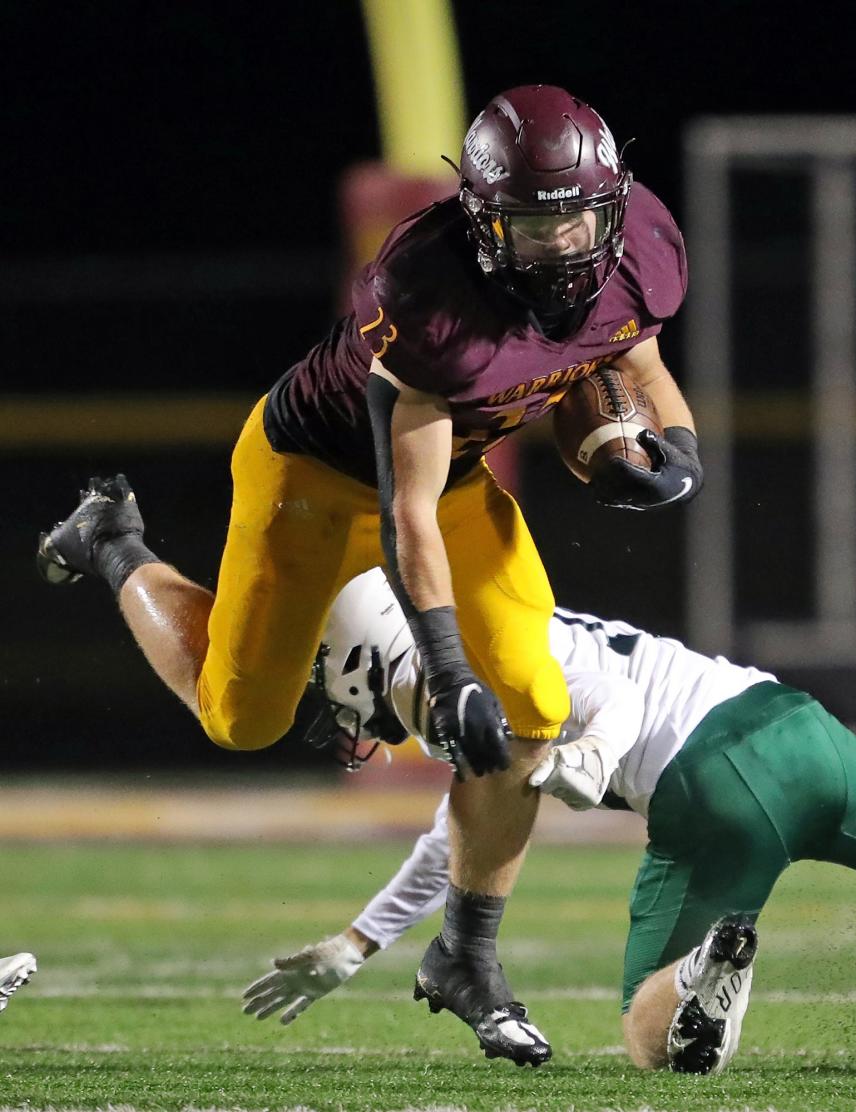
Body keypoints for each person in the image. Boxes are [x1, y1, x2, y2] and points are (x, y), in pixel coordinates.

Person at [37, 85, 700, 1065]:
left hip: (460, 474)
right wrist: (446, 670)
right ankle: (114, 542)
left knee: (533, 703)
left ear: (611, 206)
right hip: (317, 477)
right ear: (480, 222)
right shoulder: (431, 295)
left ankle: (466, 952)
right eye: (529, 225)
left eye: (575, 223)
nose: (561, 250)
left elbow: (623, 354)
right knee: (239, 715)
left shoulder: (642, 243)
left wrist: (678, 447)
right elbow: (407, 515)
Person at [243, 569, 856, 1074]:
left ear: (362, 655)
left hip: (712, 787)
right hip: (798, 726)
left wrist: (594, 752)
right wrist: (360, 940)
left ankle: (699, 977)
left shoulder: (450, 680)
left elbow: (609, 696)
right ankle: (701, 975)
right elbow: (465, 837)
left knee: (650, 1039)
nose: (331, 703)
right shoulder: (490, 634)